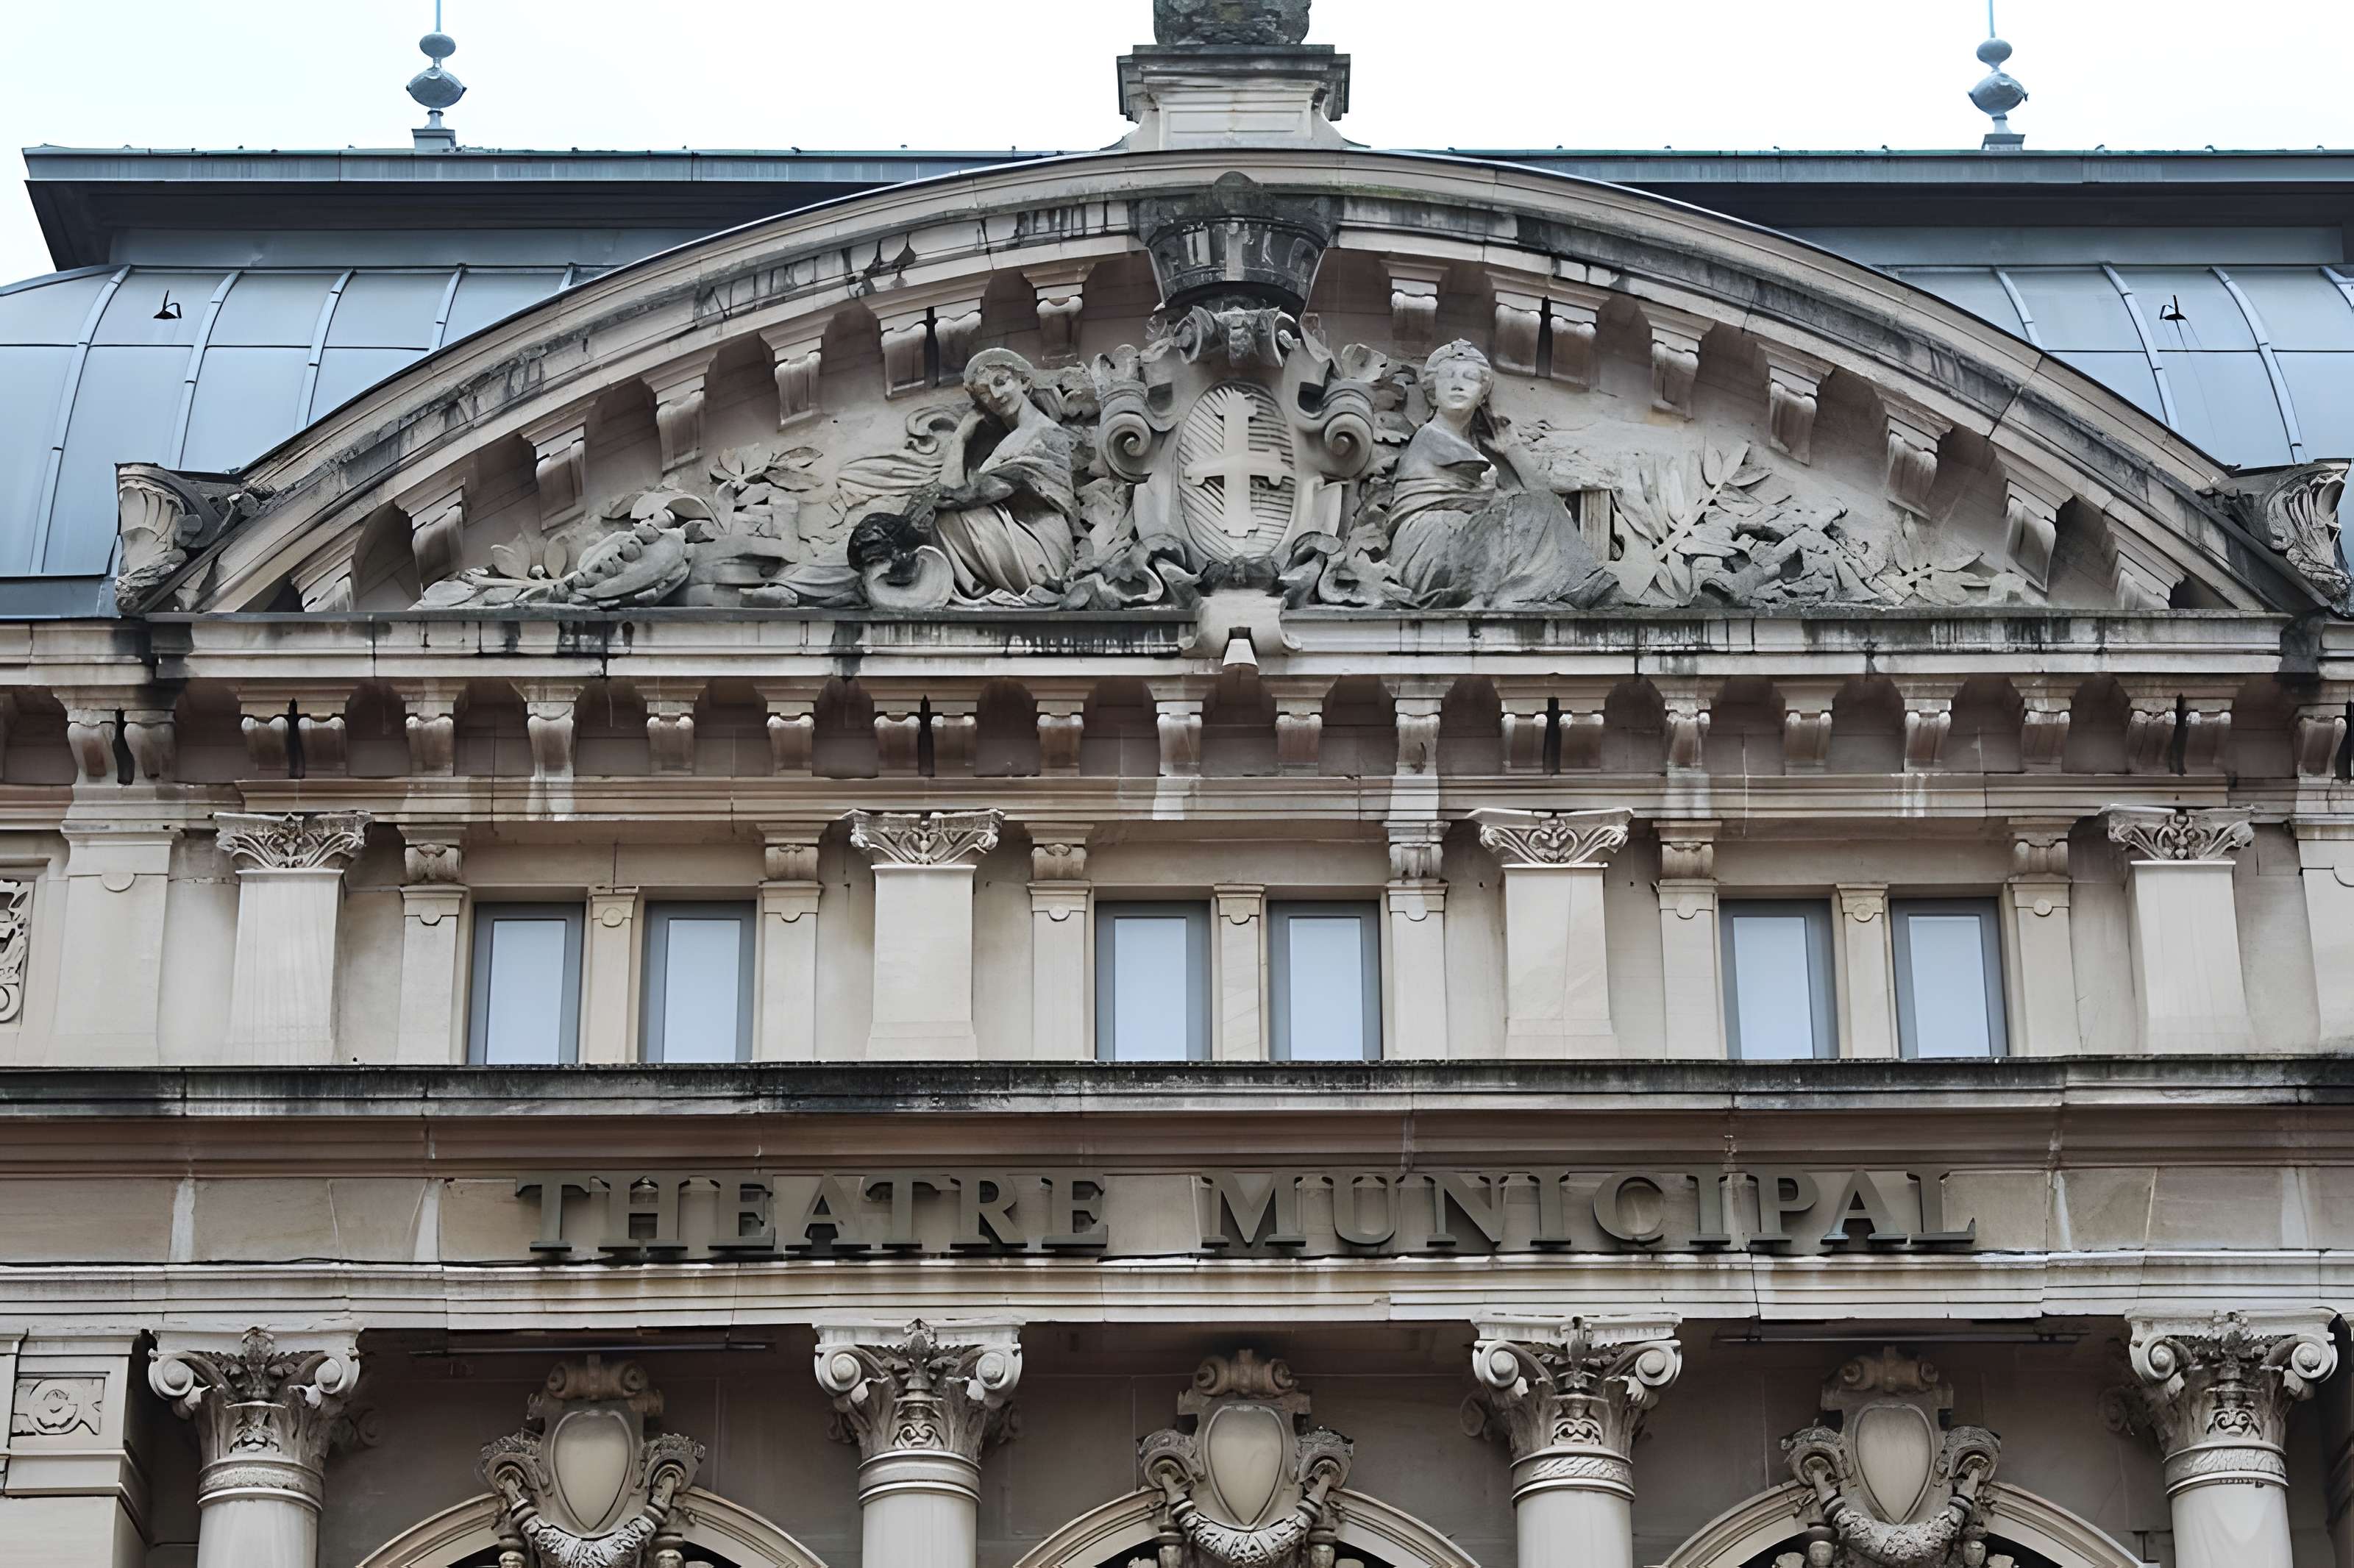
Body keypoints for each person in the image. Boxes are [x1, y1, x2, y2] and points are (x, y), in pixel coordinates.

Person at [1384, 340, 1613, 609]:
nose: (1457, 384)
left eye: (1469, 377)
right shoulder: (1431, 437)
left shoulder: (1471, 443)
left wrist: (1513, 449)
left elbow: (1538, 492)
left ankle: (1561, 588)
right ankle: (1579, 589)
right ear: (1433, 392)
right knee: (1538, 509)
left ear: (1483, 395)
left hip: (1454, 539)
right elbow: (1492, 494)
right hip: (1425, 549)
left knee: (1542, 506)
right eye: (1448, 376)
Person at [925, 349, 1079, 602]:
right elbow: (949, 491)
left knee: (947, 517)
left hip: (1044, 554)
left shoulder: (1043, 433)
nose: (996, 396)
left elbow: (959, 496)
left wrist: (961, 442)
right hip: (1021, 539)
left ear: (1025, 381)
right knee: (945, 517)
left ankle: (978, 587)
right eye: (985, 392)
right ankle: (980, 586)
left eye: (1001, 381)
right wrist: (961, 437)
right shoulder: (1013, 439)